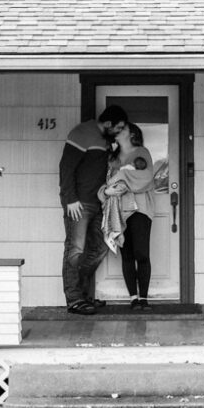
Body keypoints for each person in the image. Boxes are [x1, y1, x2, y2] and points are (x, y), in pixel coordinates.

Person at [59, 105, 128, 315]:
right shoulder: (82, 133)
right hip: (79, 203)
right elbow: (66, 167)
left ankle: (83, 293)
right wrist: (70, 199)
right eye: (118, 127)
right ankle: (74, 299)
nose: (119, 131)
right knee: (75, 250)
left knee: (100, 248)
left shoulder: (106, 141)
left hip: (101, 203)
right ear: (107, 124)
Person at [100, 122, 156, 311]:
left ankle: (144, 298)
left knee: (142, 253)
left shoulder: (142, 152)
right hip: (118, 211)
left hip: (140, 209)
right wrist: (106, 191)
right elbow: (105, 183)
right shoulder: (112, 158)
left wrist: (121, 176)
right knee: (127, 255)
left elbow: (145, 178)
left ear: (131, 134)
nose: (117, 133)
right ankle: (133, 298)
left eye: (122, 130)